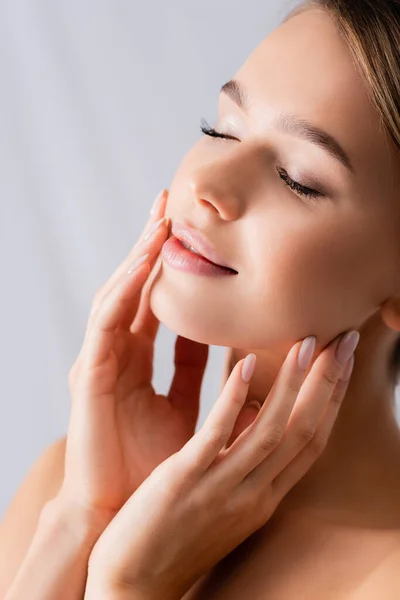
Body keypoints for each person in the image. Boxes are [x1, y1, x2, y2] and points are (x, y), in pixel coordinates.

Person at [2, 0, 400, 597]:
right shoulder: (68, 487)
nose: (205, 185)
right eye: (222, 129)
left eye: (297, 177)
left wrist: (129, 583)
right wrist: (81, 519)